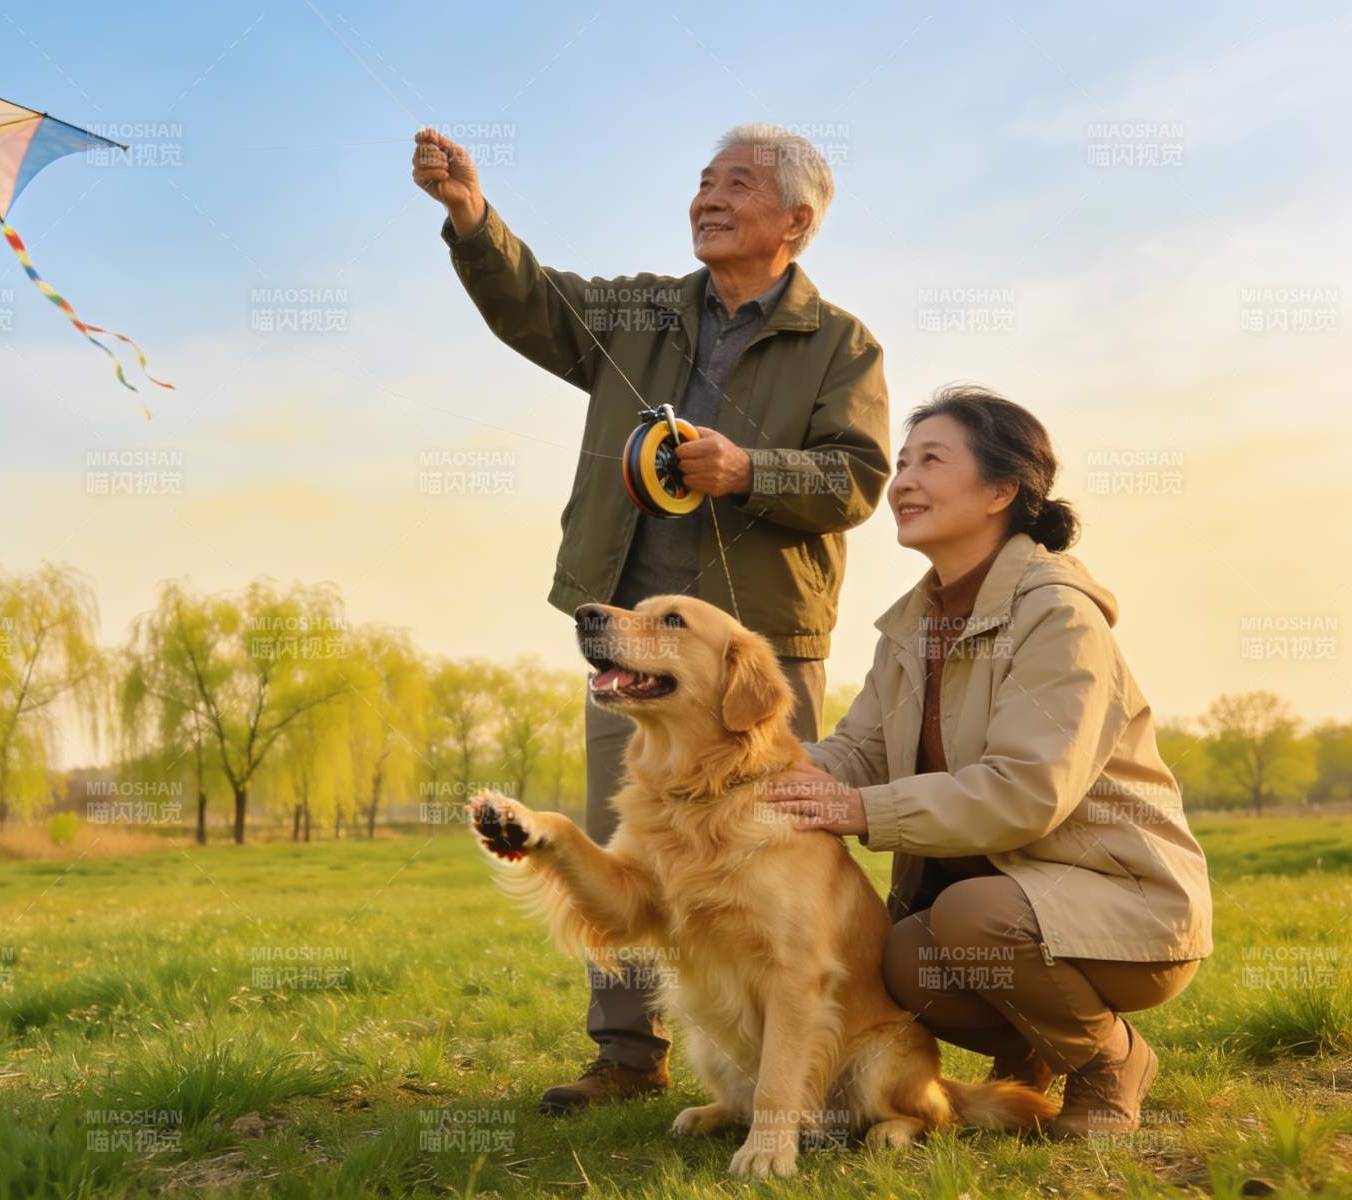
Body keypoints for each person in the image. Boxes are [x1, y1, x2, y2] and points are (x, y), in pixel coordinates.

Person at [413, 122, 892, 1112]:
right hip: (636, 649)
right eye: (704, 182)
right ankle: (629, 1056)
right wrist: (469, 216)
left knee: (776, 853)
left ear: (796, 222)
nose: (708, 198)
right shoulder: (640, 309)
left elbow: (857, 480)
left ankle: (805, 1067)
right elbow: (536, 307)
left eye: (738, 185)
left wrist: (747, 469)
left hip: (760, 648)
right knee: (627, 844)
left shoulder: (842, 343)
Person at [765, 385, 1213, 1139]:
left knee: (970, 916)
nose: (901, 481)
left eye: (930, 461)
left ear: (1002, 488)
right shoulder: (913, 624)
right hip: (1005, 911)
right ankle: (1028, 1060)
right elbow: (858, 750)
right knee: (904, 956)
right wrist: (758, 766)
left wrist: (862, 811)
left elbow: (1028, 791)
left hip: (1127, 910)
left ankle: (1111, 1062)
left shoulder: (1057, 616)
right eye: (901, 463)